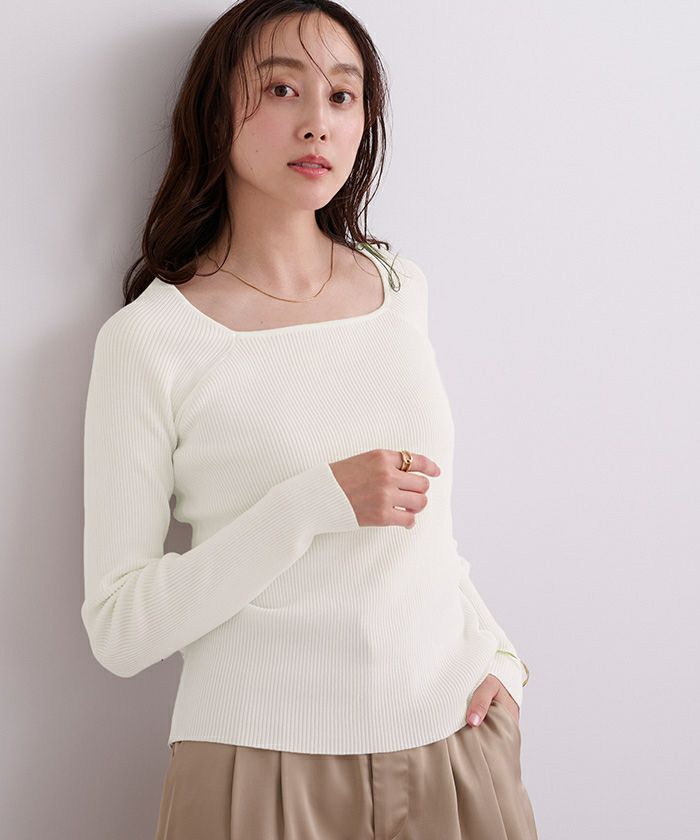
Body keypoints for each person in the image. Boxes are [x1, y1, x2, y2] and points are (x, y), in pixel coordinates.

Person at [80, 1, 538, 837]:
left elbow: (429, 531)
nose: (318, 123)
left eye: (342, 95)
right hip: (257, 765)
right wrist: (308, 505)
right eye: (282, 89)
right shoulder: (151, 340)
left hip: (455, 741)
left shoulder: (398, 286)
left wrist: (503, 656)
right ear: (215, 110)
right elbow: (119, 628)